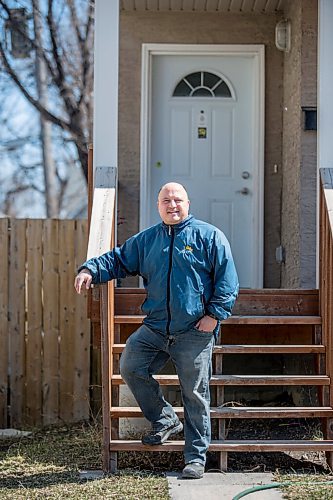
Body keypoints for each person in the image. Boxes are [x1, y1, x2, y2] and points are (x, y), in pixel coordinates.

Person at [74, 182, 239, 479]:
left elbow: (228, 281)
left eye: (177, 200)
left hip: (194, 330)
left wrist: (214, 316)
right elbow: (118, 259)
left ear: (188, 204)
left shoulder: (209, 236)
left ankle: (196, 458)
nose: (172, 205)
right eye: (166, 200)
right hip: (155, 328)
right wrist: (89, 269)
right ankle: (164, 419)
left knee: (194, 394)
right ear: (158, 206)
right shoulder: (147, 240)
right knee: (131, 365)